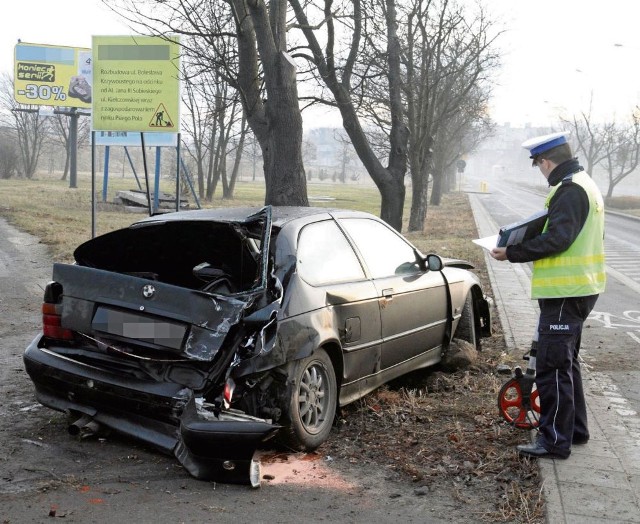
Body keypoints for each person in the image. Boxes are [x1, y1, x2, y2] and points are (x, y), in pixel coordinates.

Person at [490, 131, 606, 459]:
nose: (540, 170)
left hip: (565, 293)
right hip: (580, 288)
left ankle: (554, 441)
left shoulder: (569, 190)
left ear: (546, 160)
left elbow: (559, 239)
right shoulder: (584, 183)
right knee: (566, 364)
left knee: (552, 367)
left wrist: (512, 252)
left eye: (538, 164)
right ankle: (576, 430)